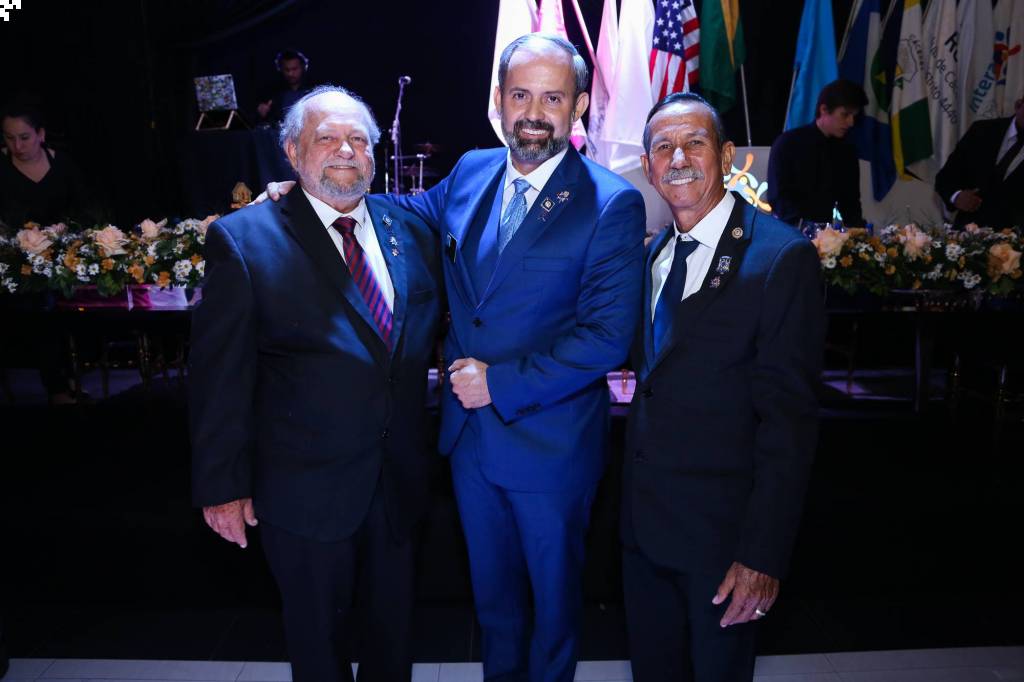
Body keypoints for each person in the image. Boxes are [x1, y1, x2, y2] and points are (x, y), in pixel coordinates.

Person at [261, 32, 646, 682]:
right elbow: (403, 212)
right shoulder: (472, 170)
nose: (533, 112)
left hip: (549, 449)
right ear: (498, 100)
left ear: (579, 106)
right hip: (468, 446)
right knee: (494, 610)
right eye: (520, 95)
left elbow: (607, 336)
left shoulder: (610, 202)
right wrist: (310, 191)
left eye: (552, 98)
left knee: (552, 616)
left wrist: (500, 383)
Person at [189, 86, 441, 682]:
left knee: (392, 645)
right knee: (318, 652)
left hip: (397, 486)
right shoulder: (245, 239)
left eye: (358, 139)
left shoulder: (411, 228)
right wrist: (222, 485)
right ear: (292, 152)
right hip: (303, 494)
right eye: (326, 138)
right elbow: (218, 376)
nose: (345, 150)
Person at [622, 92, 825, 682]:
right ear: (648, 166)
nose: (679, 158)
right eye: (664, 147)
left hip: (724, 545)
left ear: (728, 155)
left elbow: (789, 427)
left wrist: (762, 555)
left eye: (695, 143)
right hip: (645, 538)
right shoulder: (654, 256)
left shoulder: (779, 258)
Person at [765, 79, 867, 228]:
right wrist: (806, 228)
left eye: (854, 116)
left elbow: (850, 204)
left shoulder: (846, 151)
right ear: (824, 109)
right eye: (845, 115)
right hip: (788, 234)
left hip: (825, 235)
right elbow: (778, 198)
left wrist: (861, 234)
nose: (851, 122)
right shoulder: (788, 144)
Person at [935, 95, 1024, 229]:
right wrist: (957, 196)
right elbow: (945, 178)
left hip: (1015, 237)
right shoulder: (982, 131)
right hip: (967, 233)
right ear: (1018, 106)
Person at [0, 101, 91, 230]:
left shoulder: (63, 164)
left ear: (41, 134)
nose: (17, 146)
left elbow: (83, 211)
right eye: (10, 138)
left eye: (24, 137)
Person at [256, 49, 314, 125]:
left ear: (304, 67)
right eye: (286, 70)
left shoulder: (314, 91)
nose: (290, 73)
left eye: (294, 69)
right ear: (280, 69)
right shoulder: (273, 92)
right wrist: (262, 112)